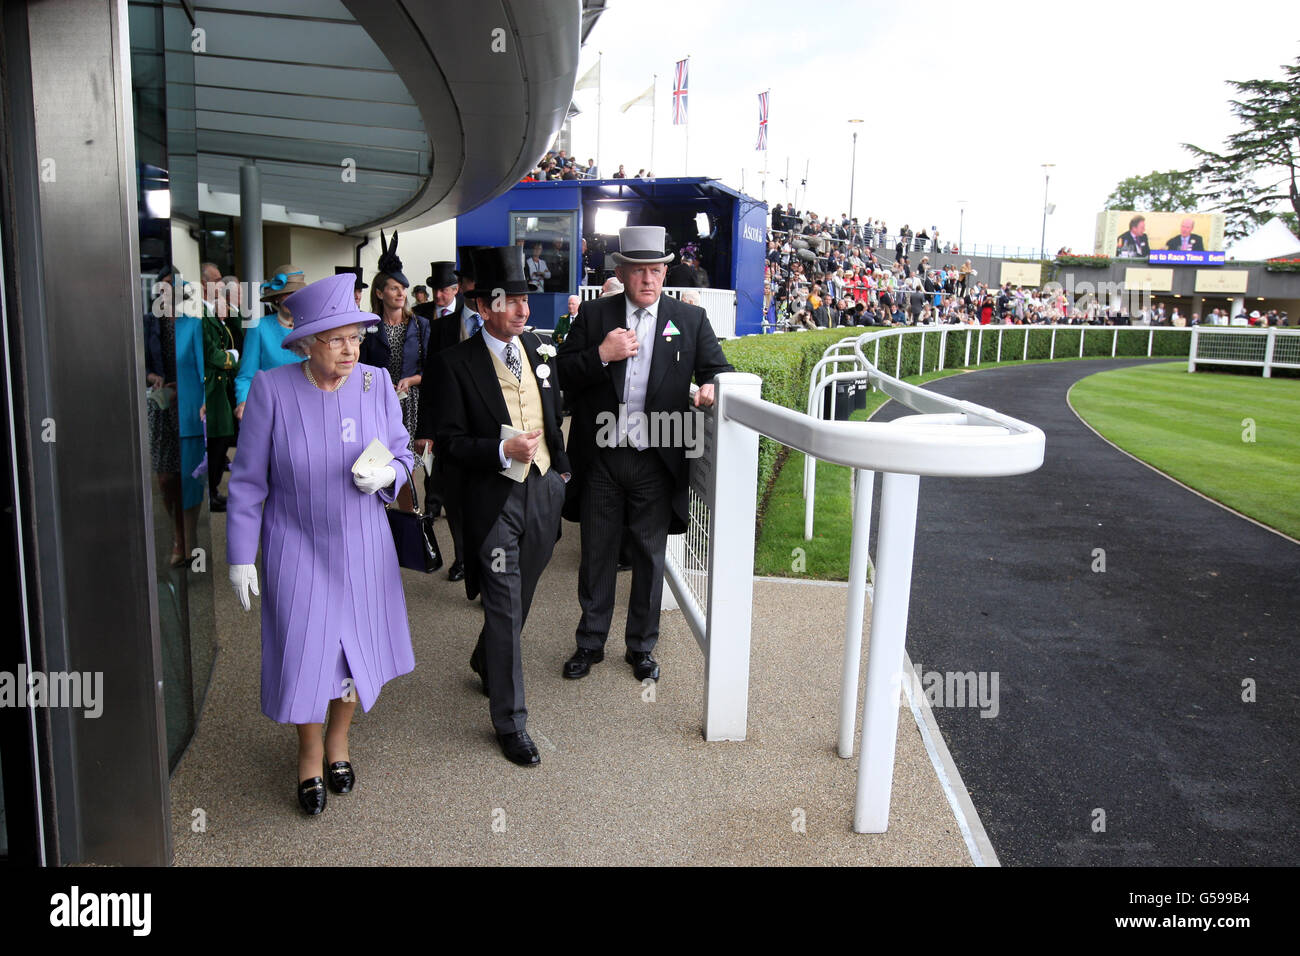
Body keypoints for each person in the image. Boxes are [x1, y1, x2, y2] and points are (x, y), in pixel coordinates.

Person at [225, 272, 415, 814]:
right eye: (337, 339)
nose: (351, 348)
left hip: (362, 548)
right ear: (307, 342)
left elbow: (404, 453)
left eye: (356, 335)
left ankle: (338, 741)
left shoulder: (376, 383)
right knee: (306, 652)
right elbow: (247, 483)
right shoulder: (272, 389)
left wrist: (391, 476)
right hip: (295, 545)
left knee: (351, 656)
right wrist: (240, 556)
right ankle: (309, 752)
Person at [555, 225, 733, 683]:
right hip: (602, 458)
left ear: (664, 272)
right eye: (639, 271)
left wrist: (712, 386)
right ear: (622, 271)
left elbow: (717, 368)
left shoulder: (688, 320)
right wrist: (602, 354)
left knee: (650, 557)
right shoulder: (595, 316)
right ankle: (590, 643)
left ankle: (641, 647)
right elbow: (564, 375)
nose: (649, 280)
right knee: (597, 553)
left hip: (657, 458)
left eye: (656, 270)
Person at [431, 246, 570, 766]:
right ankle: (511, 722)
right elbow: (447, 443)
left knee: (523, 590)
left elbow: (554, 409)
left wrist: (561, 472)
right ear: (483, 306)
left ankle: (487, 656)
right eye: (510, 299)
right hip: (493, 500)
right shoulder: (454, 365)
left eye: (524, 298)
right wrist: (498, 450)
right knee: (505, 599)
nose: (522, 309)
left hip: (544, 490)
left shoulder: (538, 349)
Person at [415, 258, 484, 583]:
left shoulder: (497, 321)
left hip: (490, 430)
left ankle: (487, 564)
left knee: (487, 502)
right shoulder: (441, 327)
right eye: (468, 281)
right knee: (454, 500)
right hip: (450, 428)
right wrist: (425, 429)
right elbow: (430, 380)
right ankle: (461, 558)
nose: (471, 289)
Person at [361, 266, 428, 513]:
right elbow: (360, 368)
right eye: (394, 288)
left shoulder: (420, 325)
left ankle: (410, 516)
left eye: (403, 288)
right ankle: (380, 514)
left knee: (404, 462)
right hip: (377, 403)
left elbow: (430, 369)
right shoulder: (368, 326)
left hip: (409, 404)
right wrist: (380, 382)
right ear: (379, 294)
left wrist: (411, 380)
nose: (401, 293)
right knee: (379, 458)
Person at [233, 264, 306, 421]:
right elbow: (246, 376)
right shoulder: (259, 327)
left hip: (307, 410)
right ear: (277, 297)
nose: (291, 298)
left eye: (296, 293)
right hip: (271, 410)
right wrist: (243, 402)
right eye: (286, 294)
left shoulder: (312, 328)